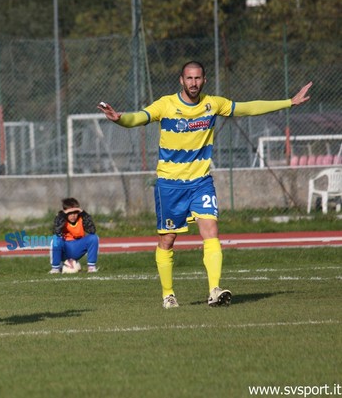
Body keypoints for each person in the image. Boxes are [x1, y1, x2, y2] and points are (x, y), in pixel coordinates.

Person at [97, 61, 312, 309]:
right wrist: (120, 119)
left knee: (211, 231)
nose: (193, 83)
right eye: (189, 78)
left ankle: (214, 290)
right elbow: (140, 117)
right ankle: (168, 294)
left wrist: (289, 102)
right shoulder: (166, 105)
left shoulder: (213, 104)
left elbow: (247, 108)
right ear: (181, 80)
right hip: (170, 184)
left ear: (204, 80)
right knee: (167, 240)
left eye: (198, 78)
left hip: (201, 182)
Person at [49, 197, 100, 274]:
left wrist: (84, 213)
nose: (73, 215)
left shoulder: (81, 218)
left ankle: (91, 267)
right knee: (56, 239)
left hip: (77, 248)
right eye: (70, 213)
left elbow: (92, 230)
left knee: (93, 238)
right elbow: (56, 231)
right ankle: (55, 268)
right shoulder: (62, 219)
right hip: (65, 249)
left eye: (75, 212)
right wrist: (62, 215)